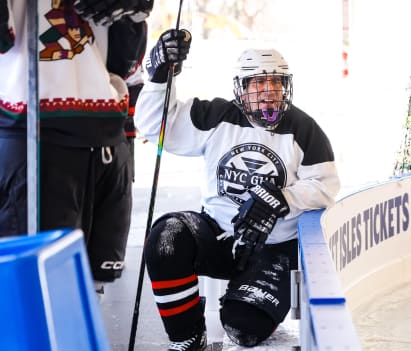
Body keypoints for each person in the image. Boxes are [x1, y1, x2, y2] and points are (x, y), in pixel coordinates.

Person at [134, 29, 341, 350]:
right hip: (219, 235)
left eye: (276, 82)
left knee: (244, 329)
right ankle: (187, 335)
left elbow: (326, 188)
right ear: (241, 89)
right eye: (258, 83)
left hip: (275, 247)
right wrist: (162, 76)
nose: (268, 91)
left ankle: (244, 301)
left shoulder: (305, 128)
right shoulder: (216, 115)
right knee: (166, 238)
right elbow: (152, 125)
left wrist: (283, 197)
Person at [0, 0, 151, 296]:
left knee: (91, 285)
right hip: (37, 137)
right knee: (41, 285)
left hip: (106, 133)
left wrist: (135, 10)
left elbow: (123, 62)